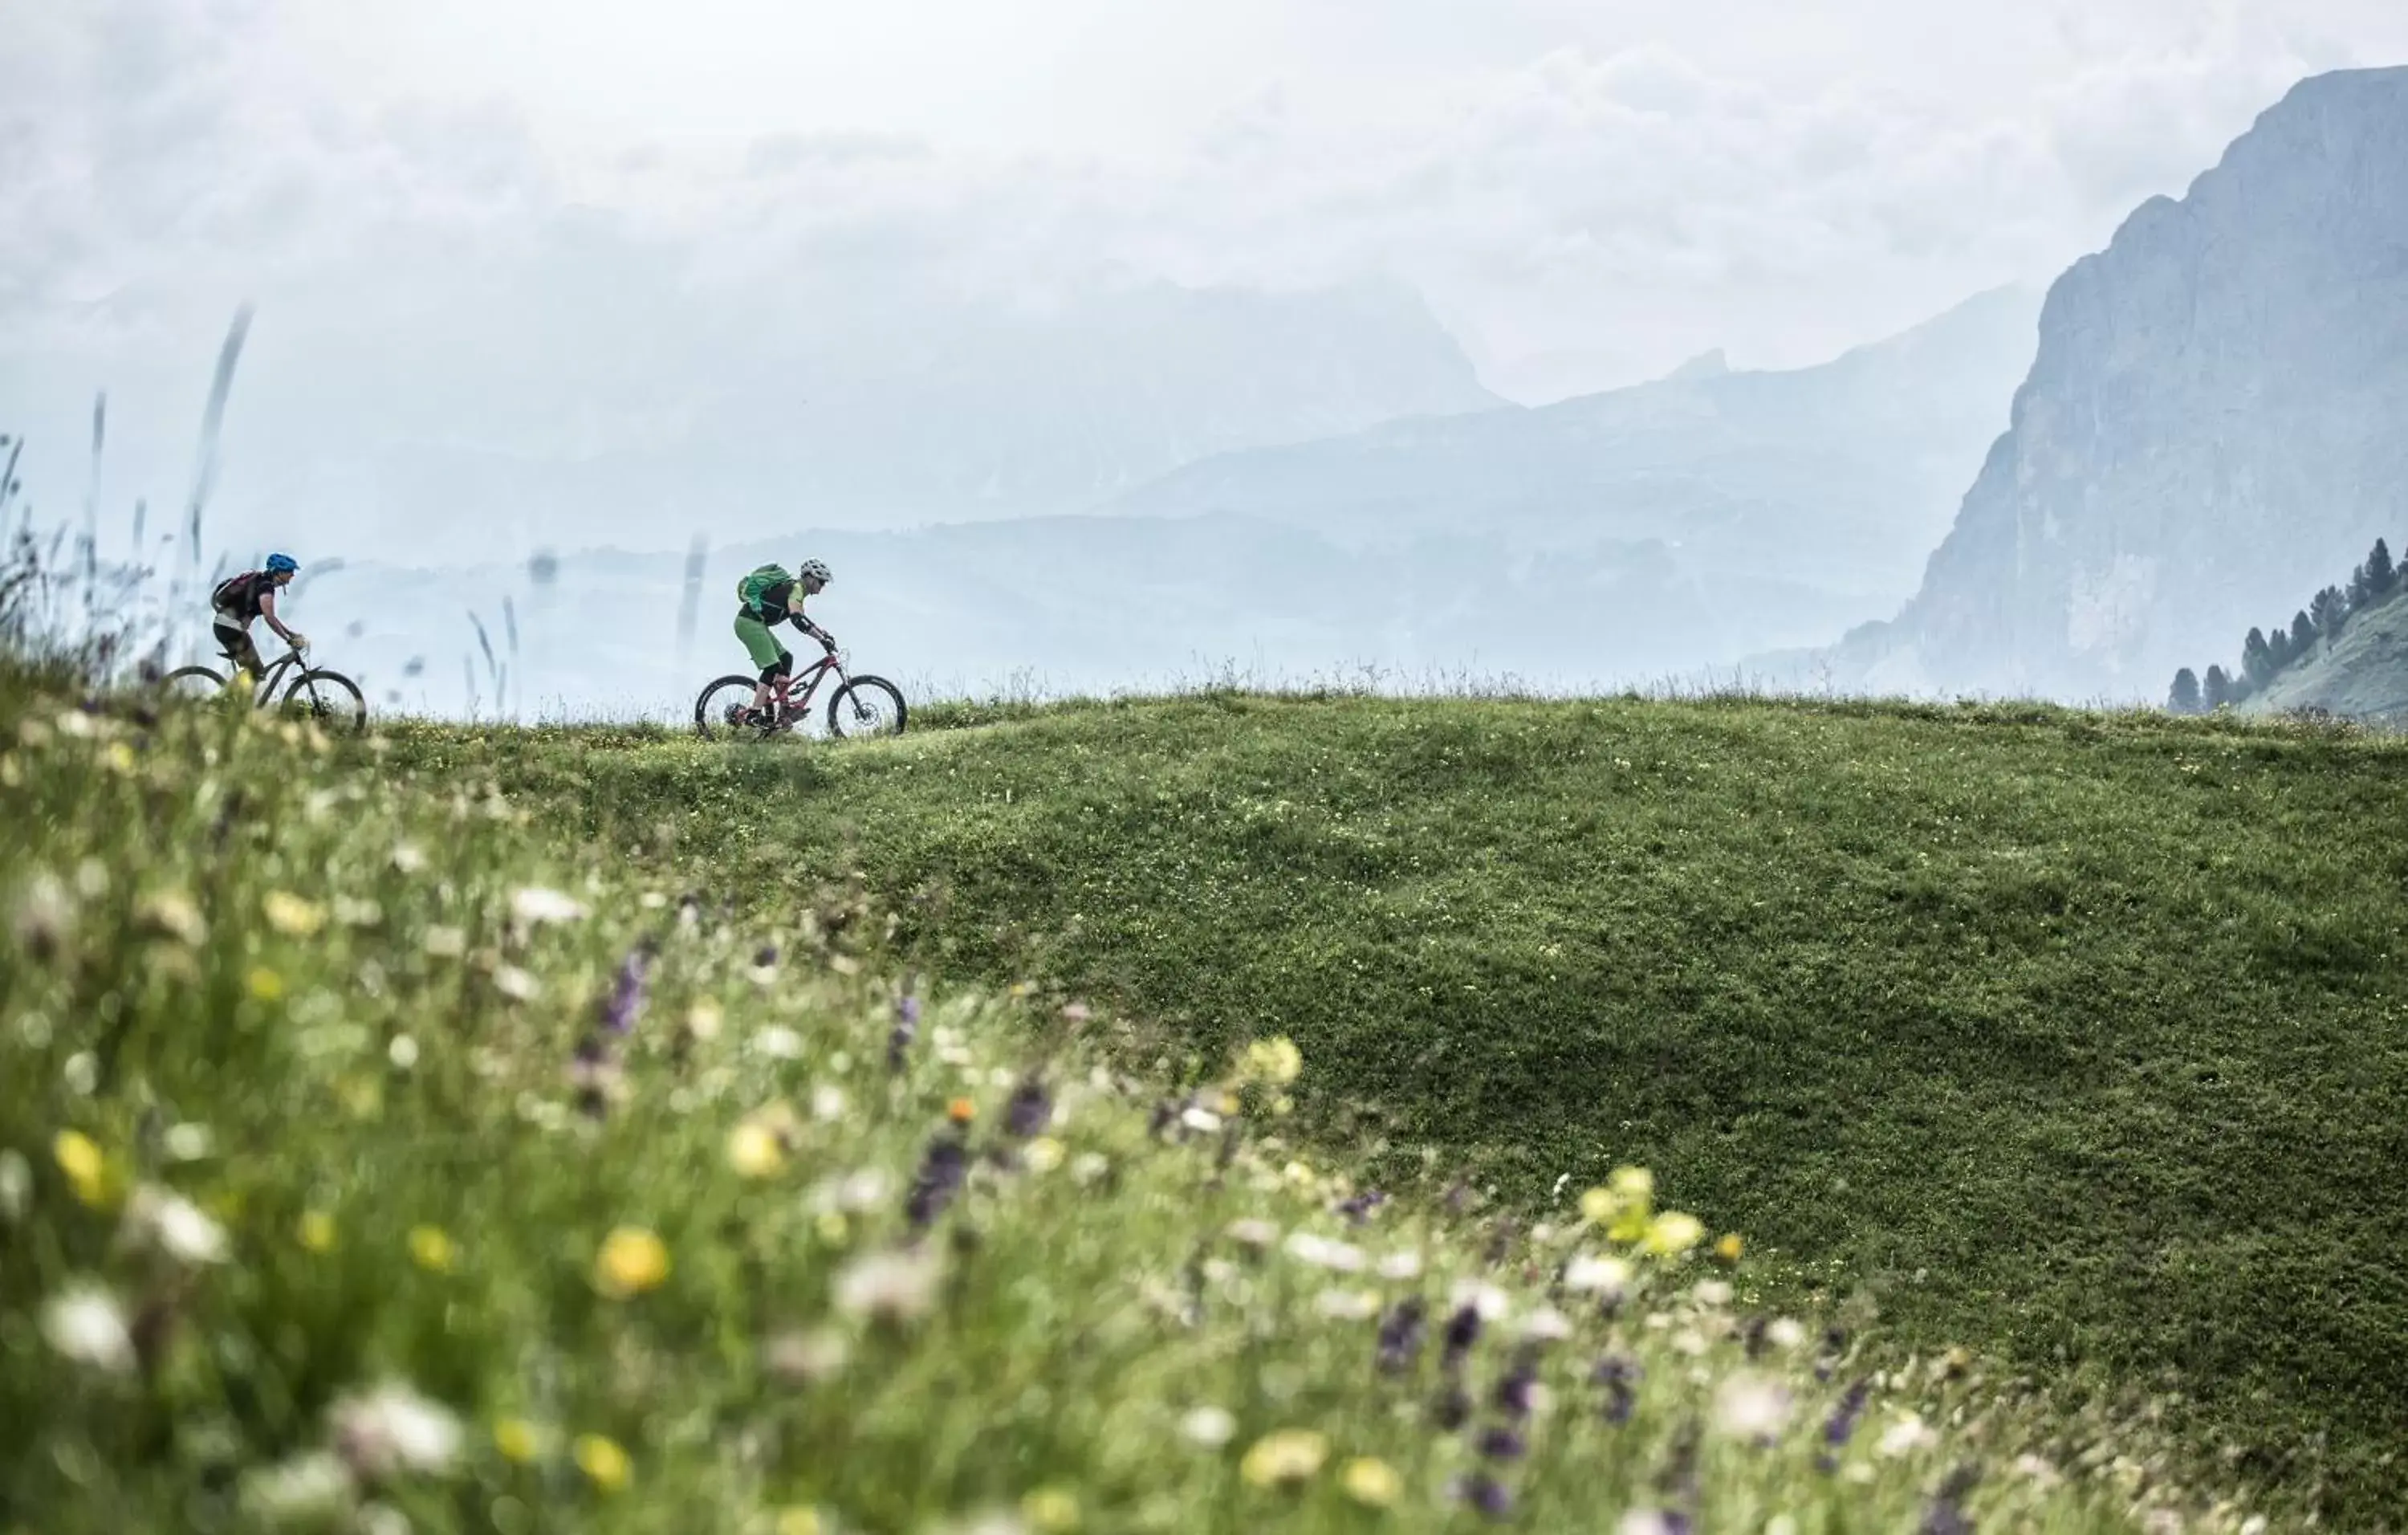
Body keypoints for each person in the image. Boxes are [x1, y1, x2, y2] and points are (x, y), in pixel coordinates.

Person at [734, 559, 833, 728]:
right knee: (772, 667)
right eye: (821, 581)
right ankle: (755, 714)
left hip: (757, 624)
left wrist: (823, 633)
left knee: (786, 658)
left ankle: (784, 711)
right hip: (748, 623)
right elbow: (797, 619)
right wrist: (821, 639)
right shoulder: (796, 589)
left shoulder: (798, 593)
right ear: (810, 578)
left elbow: (803, 620)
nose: (822, 586)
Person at [210, 553, 307, 682]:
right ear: (280, 572)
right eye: (290, 571)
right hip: (230, 629)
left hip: (227, 627)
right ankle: (225, 699)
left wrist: (290, 633)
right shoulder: (265, 586)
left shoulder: (261, 581)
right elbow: (269, 618)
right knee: (257, 673)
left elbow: (272, 617)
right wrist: (288, 639)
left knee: (254, 672)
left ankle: (234, 698)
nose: (292, 575)